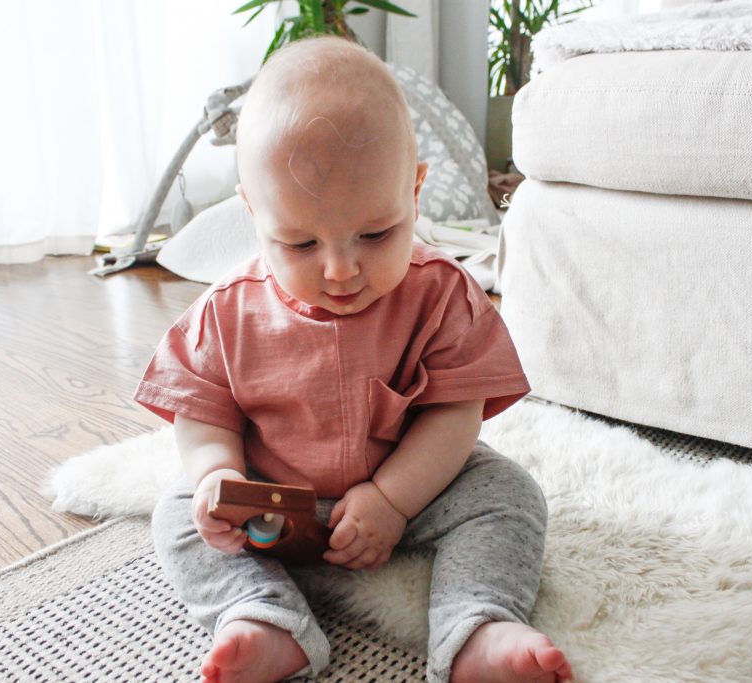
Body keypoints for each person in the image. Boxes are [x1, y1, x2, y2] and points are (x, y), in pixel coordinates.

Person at [137, 36, 572, 683]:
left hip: (415, 484)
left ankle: (478, 623)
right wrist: (216, 477)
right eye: (300, 241)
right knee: (177, 513)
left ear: (415, 190)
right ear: (253, 212)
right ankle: (260, 616)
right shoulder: (227, 310)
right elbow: (202, 412)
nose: (342, 270)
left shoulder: (441, 292)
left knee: (509, 495)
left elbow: (456, 413)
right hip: (273, 498)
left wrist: (393, 499)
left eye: (376, 233)